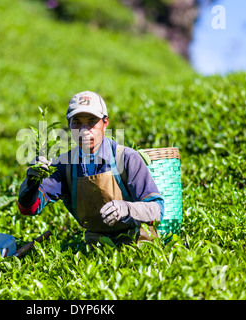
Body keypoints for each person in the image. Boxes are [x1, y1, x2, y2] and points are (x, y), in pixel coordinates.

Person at [17, 91, 164, 247]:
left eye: (92, 121)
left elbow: (157, 209)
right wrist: (31, 183)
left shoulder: (127, 158)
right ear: (69, 125)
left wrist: (126, 209)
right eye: (77, 123)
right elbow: (29, 209)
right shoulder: (64, 166)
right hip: (96, 250)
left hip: (138, 246)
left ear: (105, 123)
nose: (84, 130)